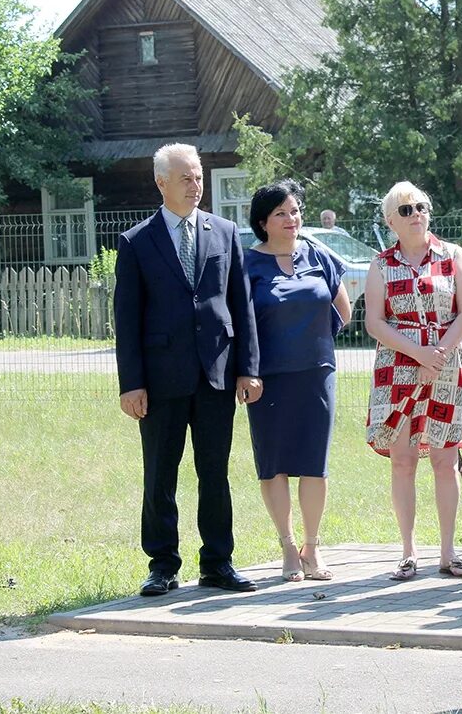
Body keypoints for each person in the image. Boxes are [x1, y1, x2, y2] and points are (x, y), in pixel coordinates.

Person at [114, 142, 262, 597]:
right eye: (185, 178)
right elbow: (127, 318)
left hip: (217, 373)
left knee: (214, 471)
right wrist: (131, 383)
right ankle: (162, 565)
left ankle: (218, 563)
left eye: (198, 176)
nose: (195, 185)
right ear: (162, 183)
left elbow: (241, 304)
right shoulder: (137, 242)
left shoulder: (224, 232)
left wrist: (248, 368)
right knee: (160, 472)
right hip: (160, 380)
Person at [364, 181, 462, 581]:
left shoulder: (452, 255)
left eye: (422, 207)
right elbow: (374, 321)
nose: (417, 215)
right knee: (403, 461)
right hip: (398, 367)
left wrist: (439, 354)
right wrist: (418, 355)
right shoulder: (381, 264)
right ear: (391, 220)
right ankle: (408, 552)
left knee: (446, 461)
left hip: (447, 363)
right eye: (407, 209)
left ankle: (448, 555)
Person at [244, 180, 352, 582]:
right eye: (281, 214)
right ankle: (288, 547)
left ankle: (312, 545)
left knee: (314, 464)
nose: (291, 220)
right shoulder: (248, 264)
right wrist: (249, 369)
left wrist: (315, 343)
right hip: (266, 380)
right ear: (263, 222)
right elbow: (240, 324)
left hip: (316, 374)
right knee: (273, 466)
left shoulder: (318, 254)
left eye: (294, 212)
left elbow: (342, 308)